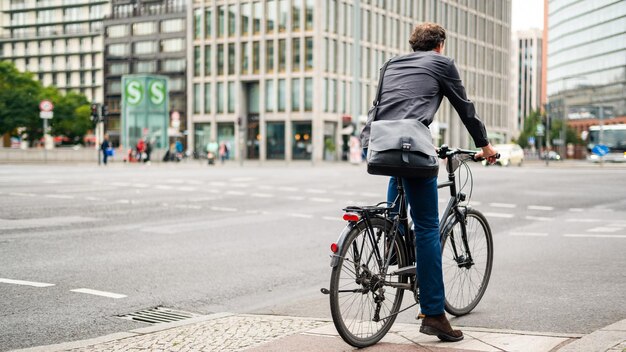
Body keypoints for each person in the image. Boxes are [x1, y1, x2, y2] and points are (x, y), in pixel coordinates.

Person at [360, 22, 498, 342]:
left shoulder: (390, 64)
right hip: (411, 149)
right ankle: (435, 314)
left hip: (382, 145)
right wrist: (485, 146)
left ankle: (393, 249)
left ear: (413, 45)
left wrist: (368, 143)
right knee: (426, 228)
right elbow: (465, 108)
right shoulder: (442, 63)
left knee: (397, 208)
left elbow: (380, 107)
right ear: (440, 45)